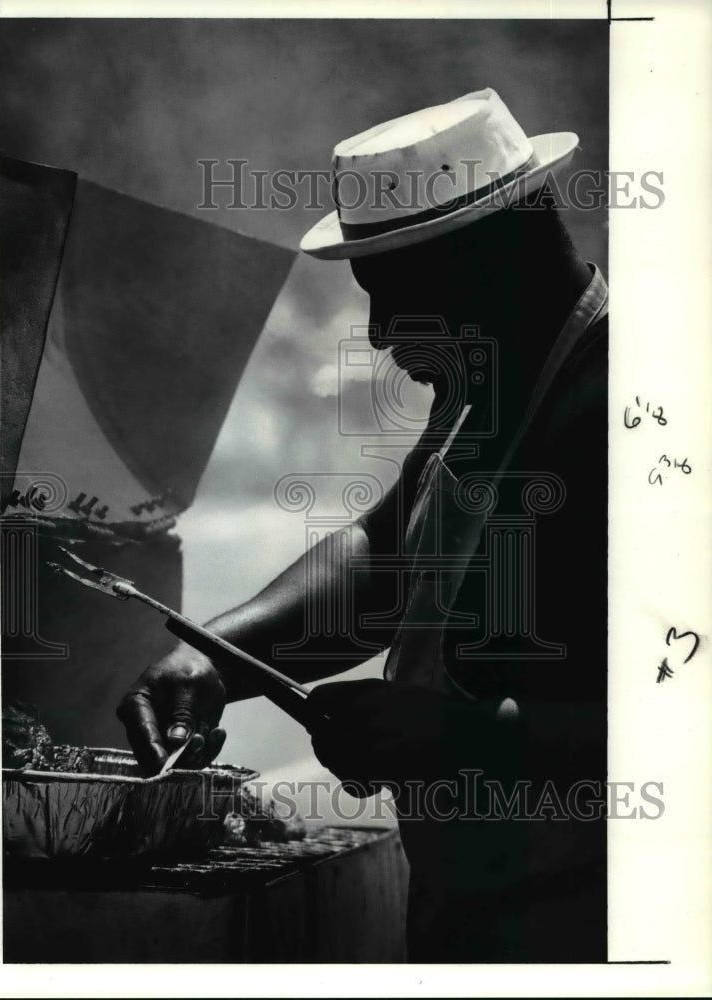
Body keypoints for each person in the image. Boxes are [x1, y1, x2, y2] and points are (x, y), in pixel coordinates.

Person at [117, 89, 608, 962]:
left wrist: (464, 740)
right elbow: (389, 556)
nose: (380, 333)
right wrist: (221, 656)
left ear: (491, 263)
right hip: (475, 917)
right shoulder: (483, 388)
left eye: (396, 296)